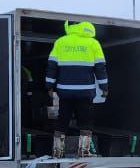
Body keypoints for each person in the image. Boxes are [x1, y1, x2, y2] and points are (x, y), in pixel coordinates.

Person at [45, 20, 108, 158]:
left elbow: (52, 66)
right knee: (85, 121)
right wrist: (104, 87)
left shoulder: (60, 42)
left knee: (63, 120)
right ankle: (84, 151)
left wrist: (49, 86)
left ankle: (57, 151)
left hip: (65, 91)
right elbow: (100, 68)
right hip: (86, 92)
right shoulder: (93, 43)